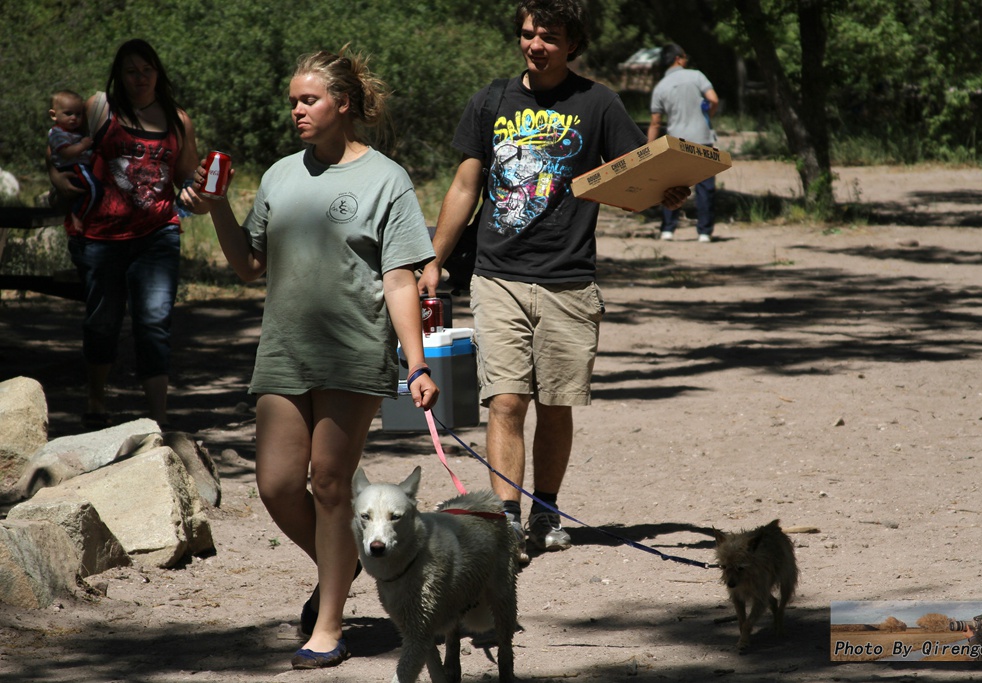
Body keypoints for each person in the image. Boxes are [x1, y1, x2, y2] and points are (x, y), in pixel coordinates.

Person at [184, 47, 438, 670]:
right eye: (293, 100)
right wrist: (215, 204)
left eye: (309, 99)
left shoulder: (387, 179)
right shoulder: (279, 176)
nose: (296, 109)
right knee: (274, 484)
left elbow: (401, 279)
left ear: (342, 104)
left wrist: (418, 363)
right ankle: (347, 561)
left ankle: (329, 624)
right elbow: (249, 266)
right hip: (285, 349)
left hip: (355, 350)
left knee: (329, 482)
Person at [418, 0, 688, 565]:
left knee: (556, 404)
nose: (534, 45)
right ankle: (505, 521)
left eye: (547, 36)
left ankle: (547, 509)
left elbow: (637, 177)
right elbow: (466, 186)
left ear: (572, 44)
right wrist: (433, 260)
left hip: (568, 279)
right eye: (526, 34)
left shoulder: (598, 103)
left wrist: (669, 191)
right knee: (506, 400)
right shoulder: (491, 99)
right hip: (498, 275)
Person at [47, 39, 202, 429]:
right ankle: (96, 401)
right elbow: (58, 144)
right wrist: (56, 179)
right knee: (103, 320)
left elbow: (186, 175)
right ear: (119, 75)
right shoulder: (101, 107)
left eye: (146, 70)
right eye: (131, 71)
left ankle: (159, 420)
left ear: (157, 72)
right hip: (101, 236)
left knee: (153, 321)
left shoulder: (177, 120)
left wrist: (196, 191)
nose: (140, 78)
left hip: (158, 231)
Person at [648, 43, 720, 242]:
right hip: (702, 139)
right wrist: (707, 115)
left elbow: (655, 122)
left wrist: (648, 150)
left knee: (671, 187)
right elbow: (713, 99)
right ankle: (704, 232)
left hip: (676, 142)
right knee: (705, 186)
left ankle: (668, 229)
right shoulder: (696, 76)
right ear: (679, 59)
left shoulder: (660, 87)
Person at [47, 90, 102, 230]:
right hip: (74, 167)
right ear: (54, 115)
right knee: (94, 188)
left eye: (78, 114)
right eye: (68, 113)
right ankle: (79, 215)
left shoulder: (71, 132)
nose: (74, 118)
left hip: (79, 166)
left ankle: (77, 213)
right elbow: (65, 153)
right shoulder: (58, 133)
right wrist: (83, 146)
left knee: (86, 192)